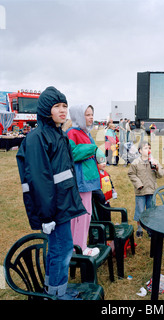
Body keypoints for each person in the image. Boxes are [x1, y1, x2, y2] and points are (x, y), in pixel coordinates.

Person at [16, 86, 86, 300]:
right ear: (47, 109)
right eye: (57, 106)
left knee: (60, 248)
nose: (63, 110)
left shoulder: (58, 135)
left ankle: (54, 289)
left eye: (64, 106)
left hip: (62, 204)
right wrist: (46, 216)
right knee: (61, 249)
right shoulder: (37, 137)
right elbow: (39, 179)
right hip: (53, 208)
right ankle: (57, 294)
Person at [67, 104, 102, 257]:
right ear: (79, 116)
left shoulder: (84, 132)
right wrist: (93, 149)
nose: (91, 117)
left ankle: (76, 245)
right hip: (81, 181)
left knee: (81, 215)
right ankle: (80, 246)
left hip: (87, 179)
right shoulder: (72, 132)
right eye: (87, 114)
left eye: (92, 114)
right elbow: (73, 153)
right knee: (83, 215)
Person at [128, 141, 164, 237]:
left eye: (149, 148)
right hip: (141, 191)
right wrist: (138, 184)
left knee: (151, 210)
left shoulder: (153, 161)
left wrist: (157, 168)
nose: (148, 149)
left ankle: (149, 227)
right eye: (145, 148)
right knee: (140, 210)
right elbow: (131, 174)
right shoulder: (136, 163)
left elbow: (161, 174)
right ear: (140, 151)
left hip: (151, 190)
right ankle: (139, 229)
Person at [93, 149, 117, 221]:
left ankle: (108, 227)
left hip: (107, 201)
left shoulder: (106, 173)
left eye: (104, 161)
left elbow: (110, 183)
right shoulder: (96, 175)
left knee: (107, 216)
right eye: (101, 162)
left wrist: (113, 190)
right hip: (99, 203)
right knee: (101, 217)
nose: (104, 163)